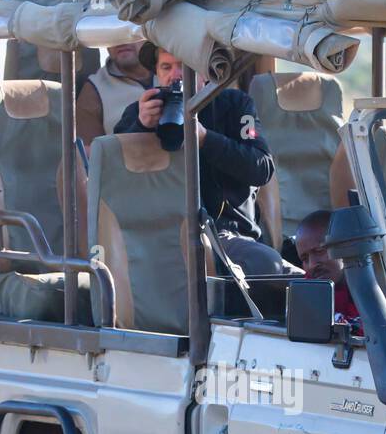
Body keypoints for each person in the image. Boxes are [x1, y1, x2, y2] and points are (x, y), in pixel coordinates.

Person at [113, 43, 285, 275]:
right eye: (166, 67)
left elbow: (261, 168)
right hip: (162, 238)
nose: (176, 75)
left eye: (184, 66)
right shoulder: (140, 112)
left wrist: (206, 139)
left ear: (205, 71)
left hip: (228, 234)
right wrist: (141, 128)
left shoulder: (235, 106)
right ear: (157, 74)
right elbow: (115, 180)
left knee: (274, 268)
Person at [76, 41, 151, 150]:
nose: (121, 40)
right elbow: (87, 157)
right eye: (113, 32)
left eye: (129, 29)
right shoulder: (93, 91)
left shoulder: (177, 70)